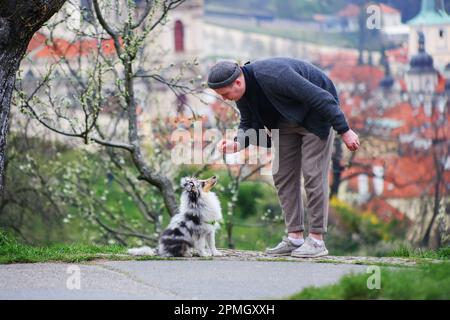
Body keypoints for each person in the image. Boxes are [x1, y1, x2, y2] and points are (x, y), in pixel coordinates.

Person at [208, 57, 360, 258]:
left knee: (313, 173)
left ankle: (316, 240)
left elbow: (319, 96)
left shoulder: (274, 75)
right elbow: (248, 122)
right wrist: (237, 143)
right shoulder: (242, 92)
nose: (225, 98)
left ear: (237, 82)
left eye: (225, 94)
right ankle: (295, 237)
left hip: (316, 116)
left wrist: (345, 130)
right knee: (281, 173)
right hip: (285, 120)